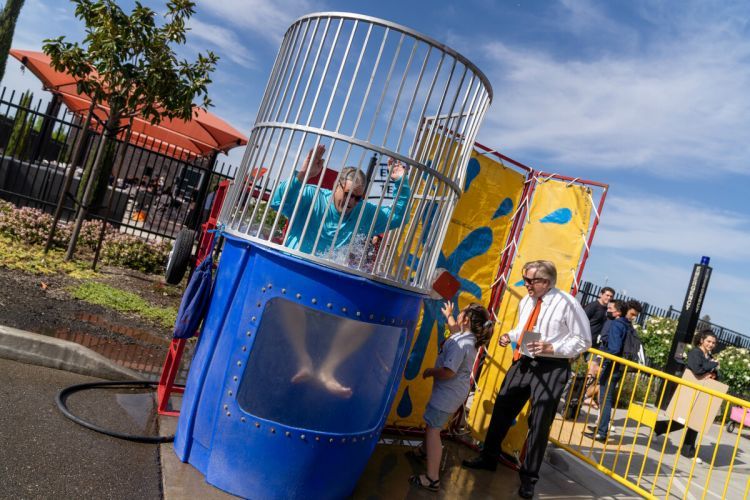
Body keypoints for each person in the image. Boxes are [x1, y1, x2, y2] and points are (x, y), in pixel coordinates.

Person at [461, 260, 591, 499]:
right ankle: (488, 457)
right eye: (525, 279)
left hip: (552, 367)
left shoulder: (568, 304)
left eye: (531, 280)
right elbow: (524, 328)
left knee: (539, 423)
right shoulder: (526, 301)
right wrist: (509, 336)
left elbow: (583, 340)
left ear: (547, 281)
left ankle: (529, 479)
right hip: (523, 361)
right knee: (502, 408)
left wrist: (551, 346)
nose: (526, 284)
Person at [409, 302, 493, 492]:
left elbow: (448, 372)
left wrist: (431, 371)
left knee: (433, 430)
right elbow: (455, 329)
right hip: (454, 393)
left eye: (460, 312)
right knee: (434, 424)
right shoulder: (468, 337)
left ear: (466, 319)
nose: (458, 313)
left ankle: (432, 478)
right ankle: (424, 451)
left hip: (447, 393)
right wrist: (449, 315)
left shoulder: (461, 343)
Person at [270, 145, 410, 255]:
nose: (352, 202)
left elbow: (397, 217)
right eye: (348, 194)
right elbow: (278, 201)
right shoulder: (312, 196)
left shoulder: (363, 211)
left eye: (358, 197)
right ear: (336, 186)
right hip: (292, 267)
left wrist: (401, 183)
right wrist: (303, 175)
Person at [653, 329, 719, 459]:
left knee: (696, 422)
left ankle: (688, 451)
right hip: (690, 390)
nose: (711, 344)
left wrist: (712, 373)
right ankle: (658, 427)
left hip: (703, 392)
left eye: (713, 343)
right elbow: (697, 369)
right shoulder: (695, 352)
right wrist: (712, 365)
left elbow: (714, 374)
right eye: (709, 341)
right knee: (681, 420)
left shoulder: (710, 357)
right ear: (702, 340)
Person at [584, 300, 642, 443]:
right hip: (619, 367)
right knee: (605, 398)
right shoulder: (629, 327)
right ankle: (601, 428)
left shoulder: (618, 324)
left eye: (635, 315)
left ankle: (602, 432)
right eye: (632, 314)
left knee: (605, 399)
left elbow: (615, 349)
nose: (633, 317)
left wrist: (602, 360)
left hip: (612, 366)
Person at [583, 299, 621, 409]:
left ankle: (585, 397)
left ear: (617, 311)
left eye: (610, 309)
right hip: (600, 351)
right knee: (593, 371)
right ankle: (585, 396)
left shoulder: (617, 324)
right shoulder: (608, 319)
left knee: (602, 381)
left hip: (607, 355)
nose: (607, 310)